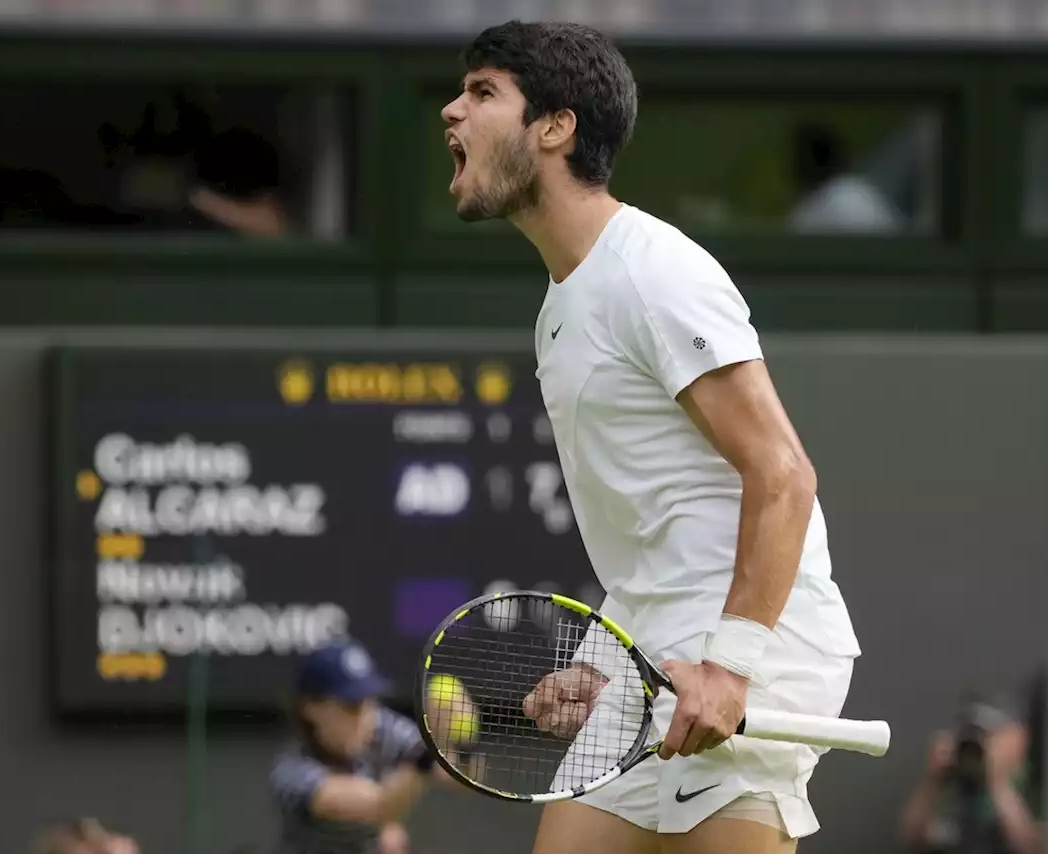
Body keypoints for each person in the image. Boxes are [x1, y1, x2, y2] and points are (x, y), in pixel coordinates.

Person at [439, 20, 862, 854]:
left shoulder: (654, 271)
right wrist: (600, 663)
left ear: (555, 127)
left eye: (483, 92)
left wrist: (732, 666)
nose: (452, 111)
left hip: (758, 645)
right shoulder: (562, 307)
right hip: (654, 651)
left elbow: (783, 474)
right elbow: (648, 534)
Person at [268, 637, 453, 854]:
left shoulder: (379, 725)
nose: (367, 718)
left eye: (370, 701)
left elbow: (450, 771)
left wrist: (464, 742)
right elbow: (377, 808)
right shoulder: (291, 773)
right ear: (311, 708)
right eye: (351, 706)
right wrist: (428, 750)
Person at [898, 693, 1044, 854]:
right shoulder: (956, 781)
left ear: (1018, 737)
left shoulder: (1036, 781)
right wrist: (932, 781)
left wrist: (997, 783)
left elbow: (1032, 848)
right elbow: (913, 839)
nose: (980, 744)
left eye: (988, 735)